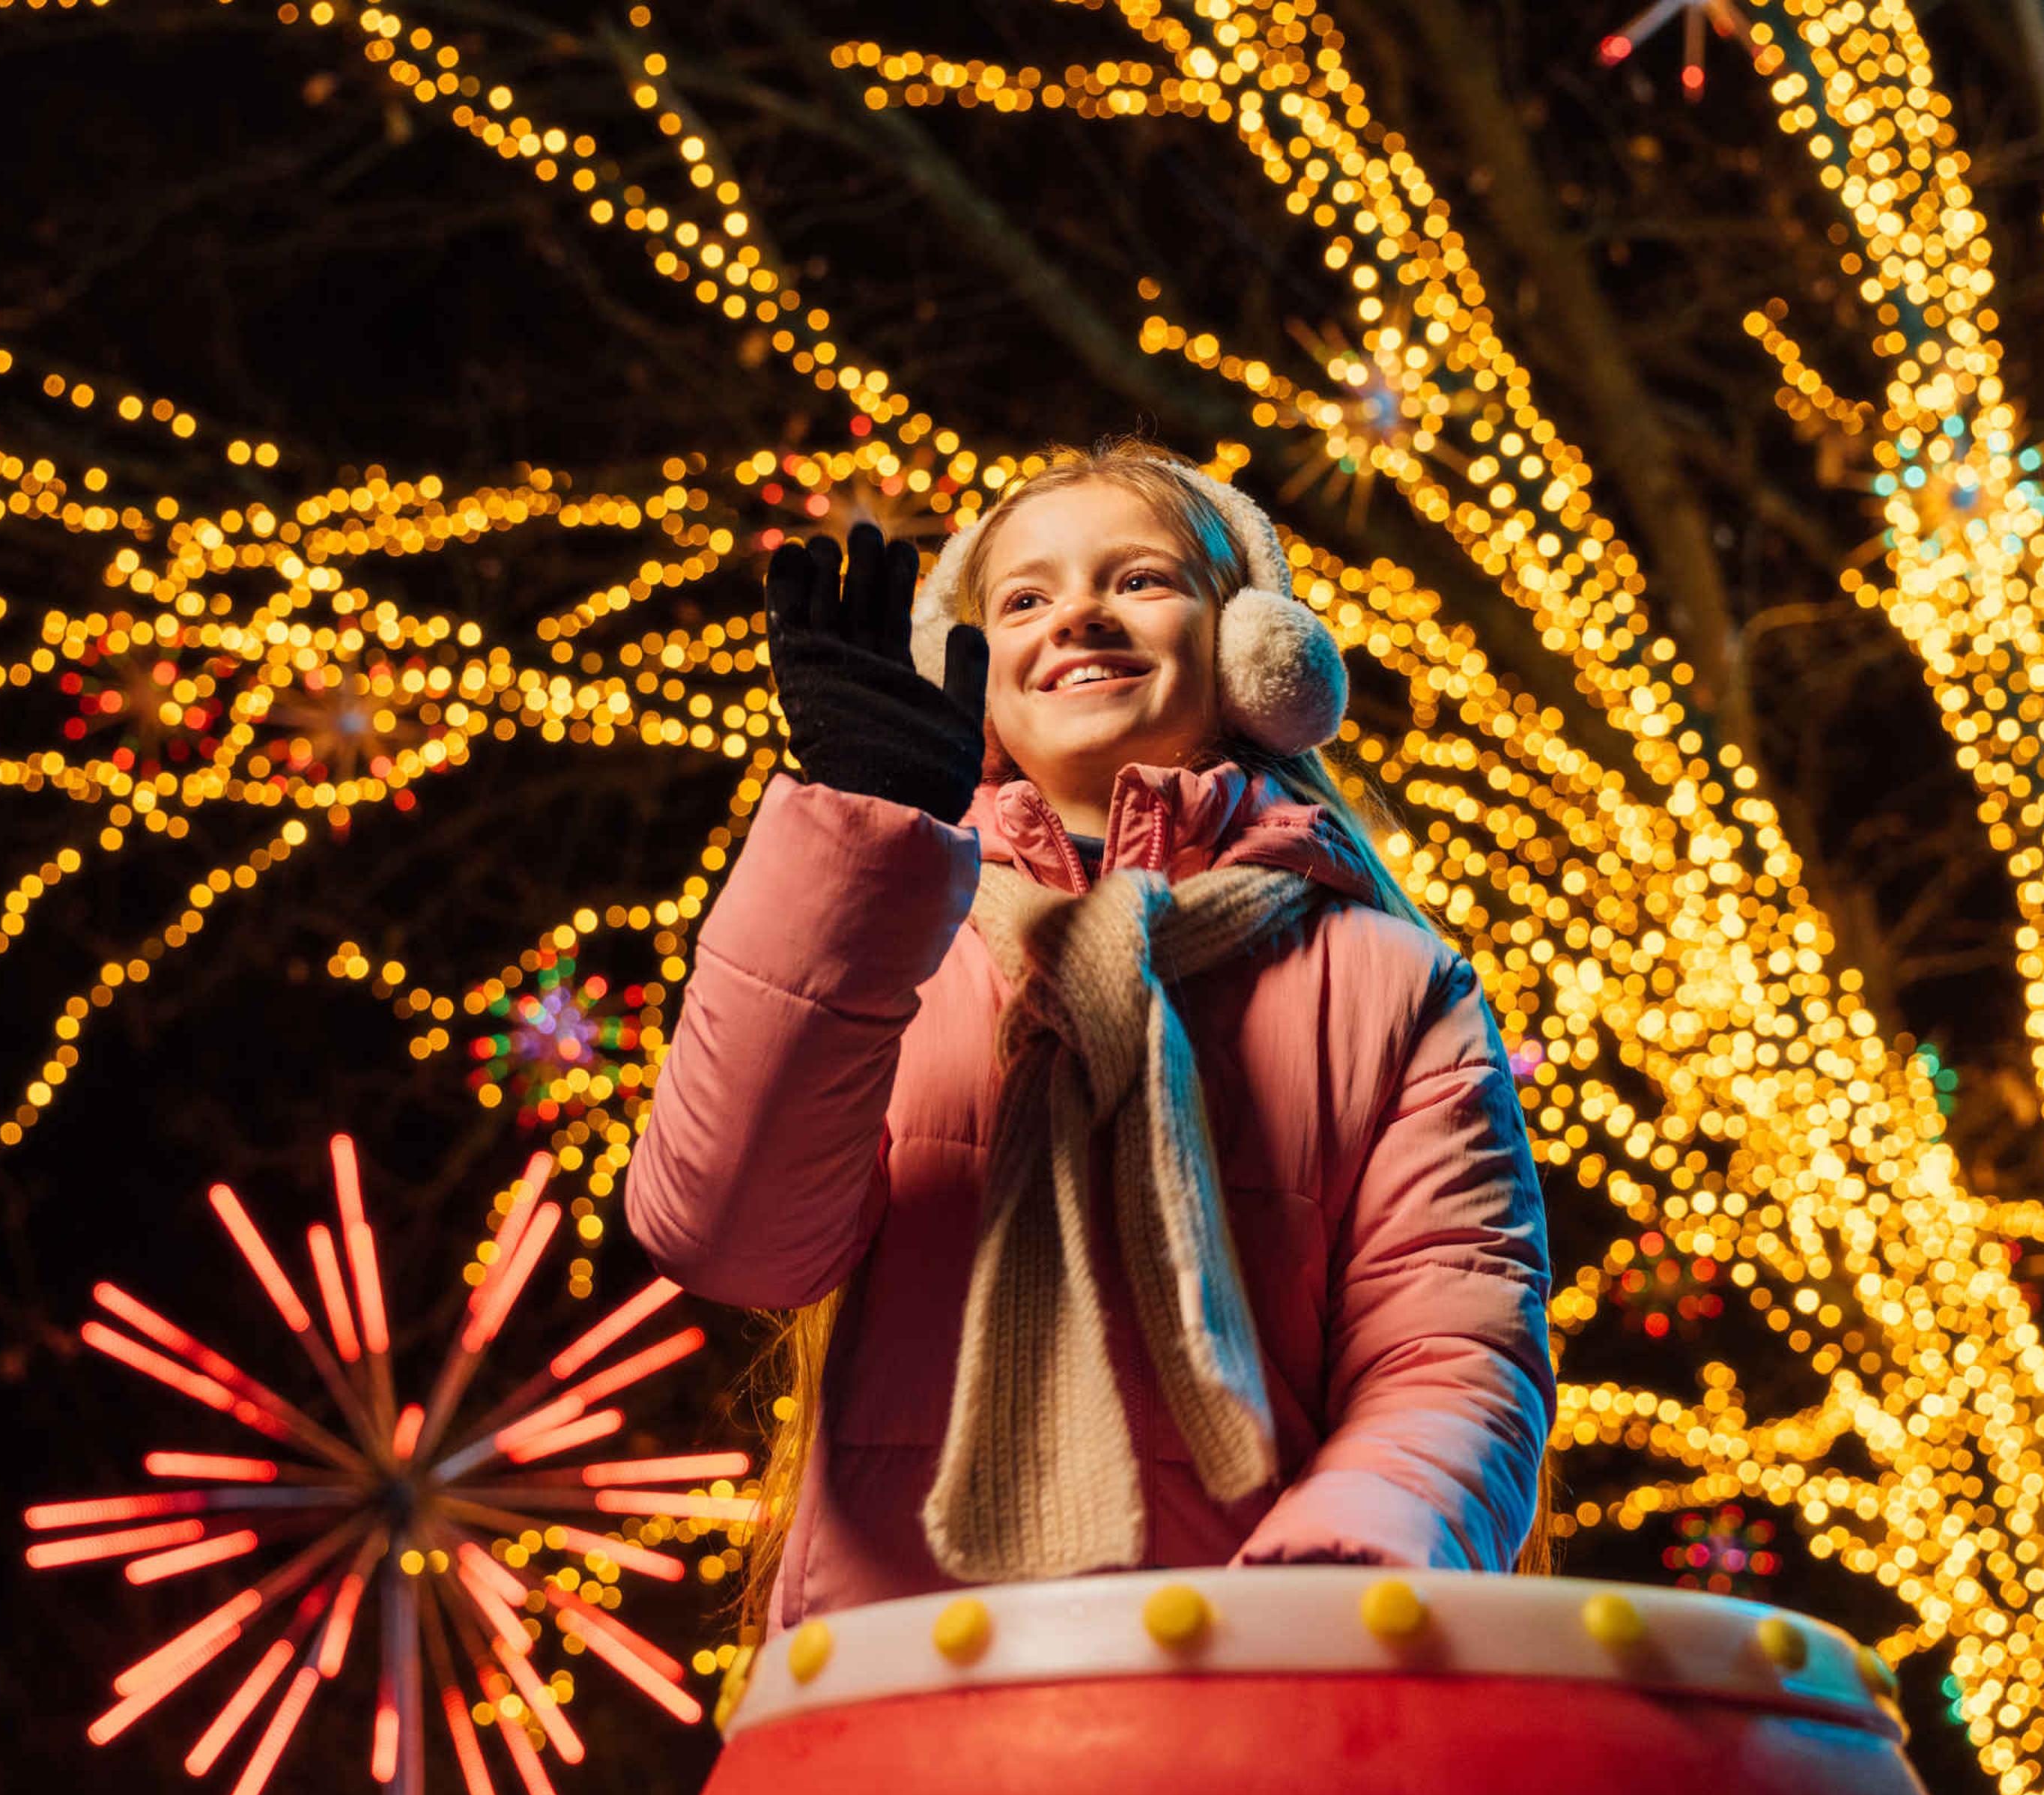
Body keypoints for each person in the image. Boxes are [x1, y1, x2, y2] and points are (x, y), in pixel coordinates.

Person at [622, 438, 1553, 1647]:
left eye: (1141, 580)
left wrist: (1336, 1578)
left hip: (1258, 1676)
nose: (1078, 615)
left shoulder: (1390, 983)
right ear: (974, 677)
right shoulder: (887, 943)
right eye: (1024, 598)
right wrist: (857, 844)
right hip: (903, 1677)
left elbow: (1451, 1352)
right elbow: (724, 1234)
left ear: (1252, 656)